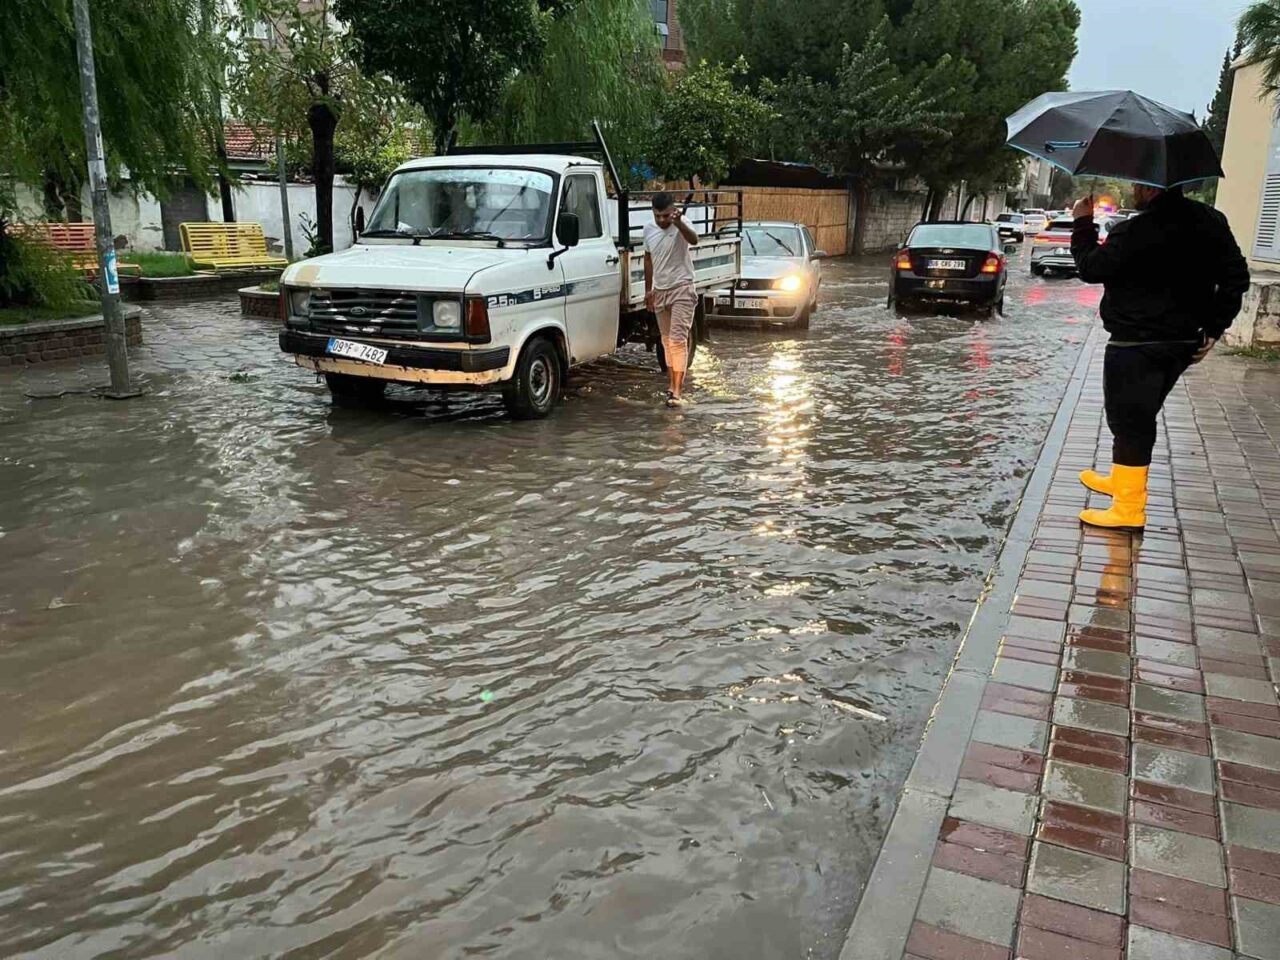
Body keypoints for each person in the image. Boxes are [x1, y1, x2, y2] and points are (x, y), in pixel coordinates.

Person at [1071, 184, 1250, 530]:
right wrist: (1214, 328)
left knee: (1130, 423)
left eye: (1138, 185)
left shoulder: (1134, 231)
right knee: (1140, 415)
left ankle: (1128, 508)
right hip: (1182, 342)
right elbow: (1236, 279)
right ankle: (1124, 478)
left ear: (1151, 187)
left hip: (1135, 344)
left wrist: (1082, 223)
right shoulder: (1211, 221)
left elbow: (1091, 268)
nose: (1135, 189)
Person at [644, 192, 700, 407]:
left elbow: (694, 239)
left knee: (677, 340)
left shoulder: (682, 223)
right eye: (657, 215)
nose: (661, 220)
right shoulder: (648, 229)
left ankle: (677, 392)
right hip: (660, 290)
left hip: (682, 288)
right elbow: (648, 259)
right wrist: (648, 291)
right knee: (666, 340)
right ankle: (671, 385)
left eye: (666, 215)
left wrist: (678, 223)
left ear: (673, 211)